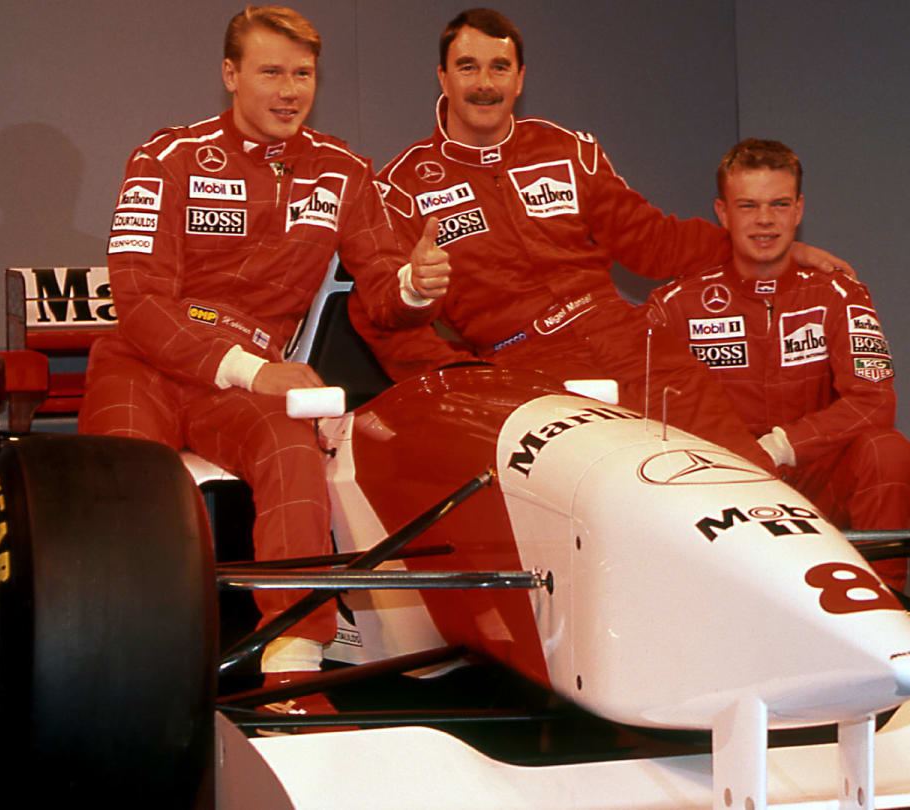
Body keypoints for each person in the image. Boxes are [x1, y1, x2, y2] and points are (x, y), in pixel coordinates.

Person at [80, 6, 446, 705]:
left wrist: (415, 285)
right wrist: (254, 368)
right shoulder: (165, 157)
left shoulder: (343, 171)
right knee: (124, 495)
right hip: (144, 365)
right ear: (229, 74)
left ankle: (293, 668)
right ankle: (123, 672)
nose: (289, 90)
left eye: (302, 74)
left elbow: (383, 295)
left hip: (243, 387)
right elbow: (138, 300)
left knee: (294, 455)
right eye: (270, 71)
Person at [346, 7, 853, 471]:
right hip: (529, 367)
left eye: (499, 67)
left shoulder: (568, 150)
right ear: (442, 76)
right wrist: (459, 371)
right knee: (617, 496)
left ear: (520, 79)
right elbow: (381, 316)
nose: (485, 83)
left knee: (741, 474)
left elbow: (653, 240)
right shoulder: (402, 187)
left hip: (629, 339)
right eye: (468, 66)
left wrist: (763, 249)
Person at [648, 139, 910, 588]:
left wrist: (781, 446)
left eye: (779, 204)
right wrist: (732, 460)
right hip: (718, 491)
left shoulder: (841, 294)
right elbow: (647, 416)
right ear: (723, 213)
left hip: (815, 481)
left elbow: (874, 402)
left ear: (799, 210)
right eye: (748, 205)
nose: (765, 220)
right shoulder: (675, 305)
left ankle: (886, 600)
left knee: (887, 450)